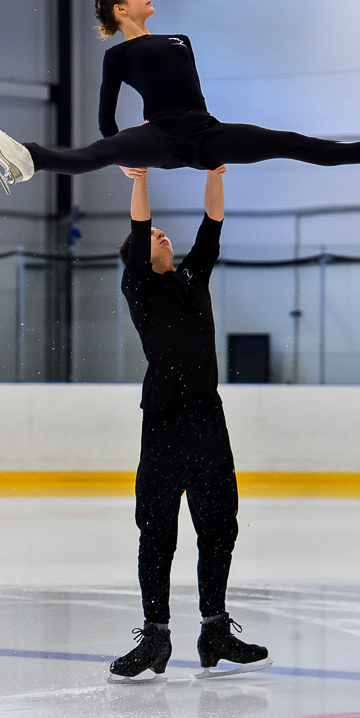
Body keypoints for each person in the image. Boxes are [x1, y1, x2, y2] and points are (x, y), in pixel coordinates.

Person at [0, 0, 360, 195]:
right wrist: (121, 155)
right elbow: (106, 116)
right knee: (94, 155)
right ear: (120, 10)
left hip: (204, 133)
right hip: (157, 136)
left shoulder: (180, 39)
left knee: (295, 144)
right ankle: (28, 160)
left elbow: (189, 91)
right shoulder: (117, 55)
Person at [109, 163, 269, 681]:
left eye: (159, 232)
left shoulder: (193, 277)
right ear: (138, 258)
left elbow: (212, 225)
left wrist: (215, 169)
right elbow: (138, 226)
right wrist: (139, 178)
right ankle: (156, 635)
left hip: (207, 421)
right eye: (151, 236)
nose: (159, 234)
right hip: (163, 424)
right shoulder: (139, 287)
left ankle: (214, 629)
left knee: (220, 526)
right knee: (156, 532)